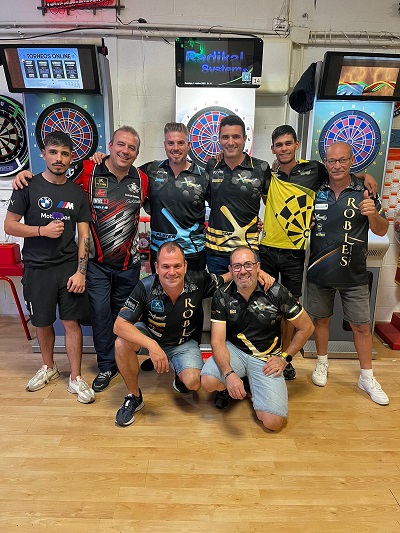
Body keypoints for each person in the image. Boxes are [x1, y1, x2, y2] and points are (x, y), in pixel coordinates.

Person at [13, 126, 148, 393]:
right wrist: (24, 175)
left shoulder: (143, 179)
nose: (125, 151)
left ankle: (123, 362)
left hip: (129, 266)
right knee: (100, 317)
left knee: (124, 318)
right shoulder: (88, 169)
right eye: (120, 144)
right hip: (96, 265)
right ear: (110, 146)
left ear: (137, 153)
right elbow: (55, 177)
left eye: (132, 147)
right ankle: (106, 366)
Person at [258, 125, 378, 381]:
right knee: (264, 307)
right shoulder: (267, 173)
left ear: (297, 144)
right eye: (279, 145)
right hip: (266, 248)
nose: (284, 149)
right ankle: (263, 354)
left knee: (289, 308)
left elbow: (341, 171)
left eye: (288, 143)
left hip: (295, 252)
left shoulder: (314, 169)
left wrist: (365, 175)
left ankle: (285, 358)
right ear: (273, 149)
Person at [4, 131, 95, 403]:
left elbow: (84, 235)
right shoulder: (27, 185)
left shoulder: (77, 193)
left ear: (71, 158)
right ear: (43, 154)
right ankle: (49, 367)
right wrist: (41, 230)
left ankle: (76, 377)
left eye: (64, 154)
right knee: (42, 321)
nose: (58, 158)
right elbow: (9, 225)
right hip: (37, 268)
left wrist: (81, 272)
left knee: (70, 322)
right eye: (53, 152)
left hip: (68, 268)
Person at [306, 141, 389, 405]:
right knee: (321, 320)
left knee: (361, 327)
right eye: (332, 161)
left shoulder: (365, 191)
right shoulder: (316, 189)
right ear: (325, 162)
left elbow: (381, 229)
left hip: (354, 274)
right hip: (320, 271)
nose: (337, 166)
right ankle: (322, 363)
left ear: (352, 161)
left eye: (342, 160)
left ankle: (367, 377)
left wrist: (372, 214)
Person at [112, 241, 230, 427]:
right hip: (152, 337)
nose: (172, 272)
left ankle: (178, 372)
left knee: (193, 383)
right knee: (121, 342)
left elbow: (227, 277)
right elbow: (119, 325)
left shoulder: (199, 280)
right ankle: (134, 397)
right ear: (157, 267)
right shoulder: (145, 286)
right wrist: (152, 346)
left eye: (177, 266)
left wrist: (258, 273)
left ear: (185, 266)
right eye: (166, 266)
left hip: (184, 343)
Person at [200, 246, 314, 431]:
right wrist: (229, 374)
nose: (243, 271)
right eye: (237, 266)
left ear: (258, 267)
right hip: (236, 351)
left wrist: (284, 358)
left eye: (248, 265)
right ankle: (235, 382)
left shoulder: (276, 292)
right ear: (230, 270)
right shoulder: (222, 294)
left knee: (273, 423)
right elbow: (217, 341)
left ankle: (252, 384)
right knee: (208, 381)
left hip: (266, 358)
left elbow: (307, 327)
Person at [205, 115, 271, 275]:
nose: (230, 142)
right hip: (216, 252)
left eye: (236, 136)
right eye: (225, 137)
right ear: (219, 139)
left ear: (245, 139)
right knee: (218, 292)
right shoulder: (212, 166)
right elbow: (207, 201)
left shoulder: (261, 168)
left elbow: (271, 205)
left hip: (248, 252)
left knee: (247, 292)